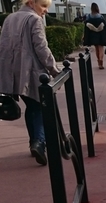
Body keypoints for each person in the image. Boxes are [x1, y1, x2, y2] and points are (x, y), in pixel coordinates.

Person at [0, 0, 60, 166]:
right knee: (40, 107)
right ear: (32, 3)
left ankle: (33, 141)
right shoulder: (34, 20)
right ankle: (39, 142)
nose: (45, 11)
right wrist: (55, 70)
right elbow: (41, 48)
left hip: (12, 73)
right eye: (43, 6)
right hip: (30, 72)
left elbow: (3, 46)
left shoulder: (9, 18)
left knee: (32, 107)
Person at [83, 2, 106, 69]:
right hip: (101, 35)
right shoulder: (101, 17)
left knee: (96, 49)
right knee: (101, 49)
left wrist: (85, 37)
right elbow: (105, 27)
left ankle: (98, 61)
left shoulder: (89, 17)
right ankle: (101, 60)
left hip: (93, 35)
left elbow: (86, 27)